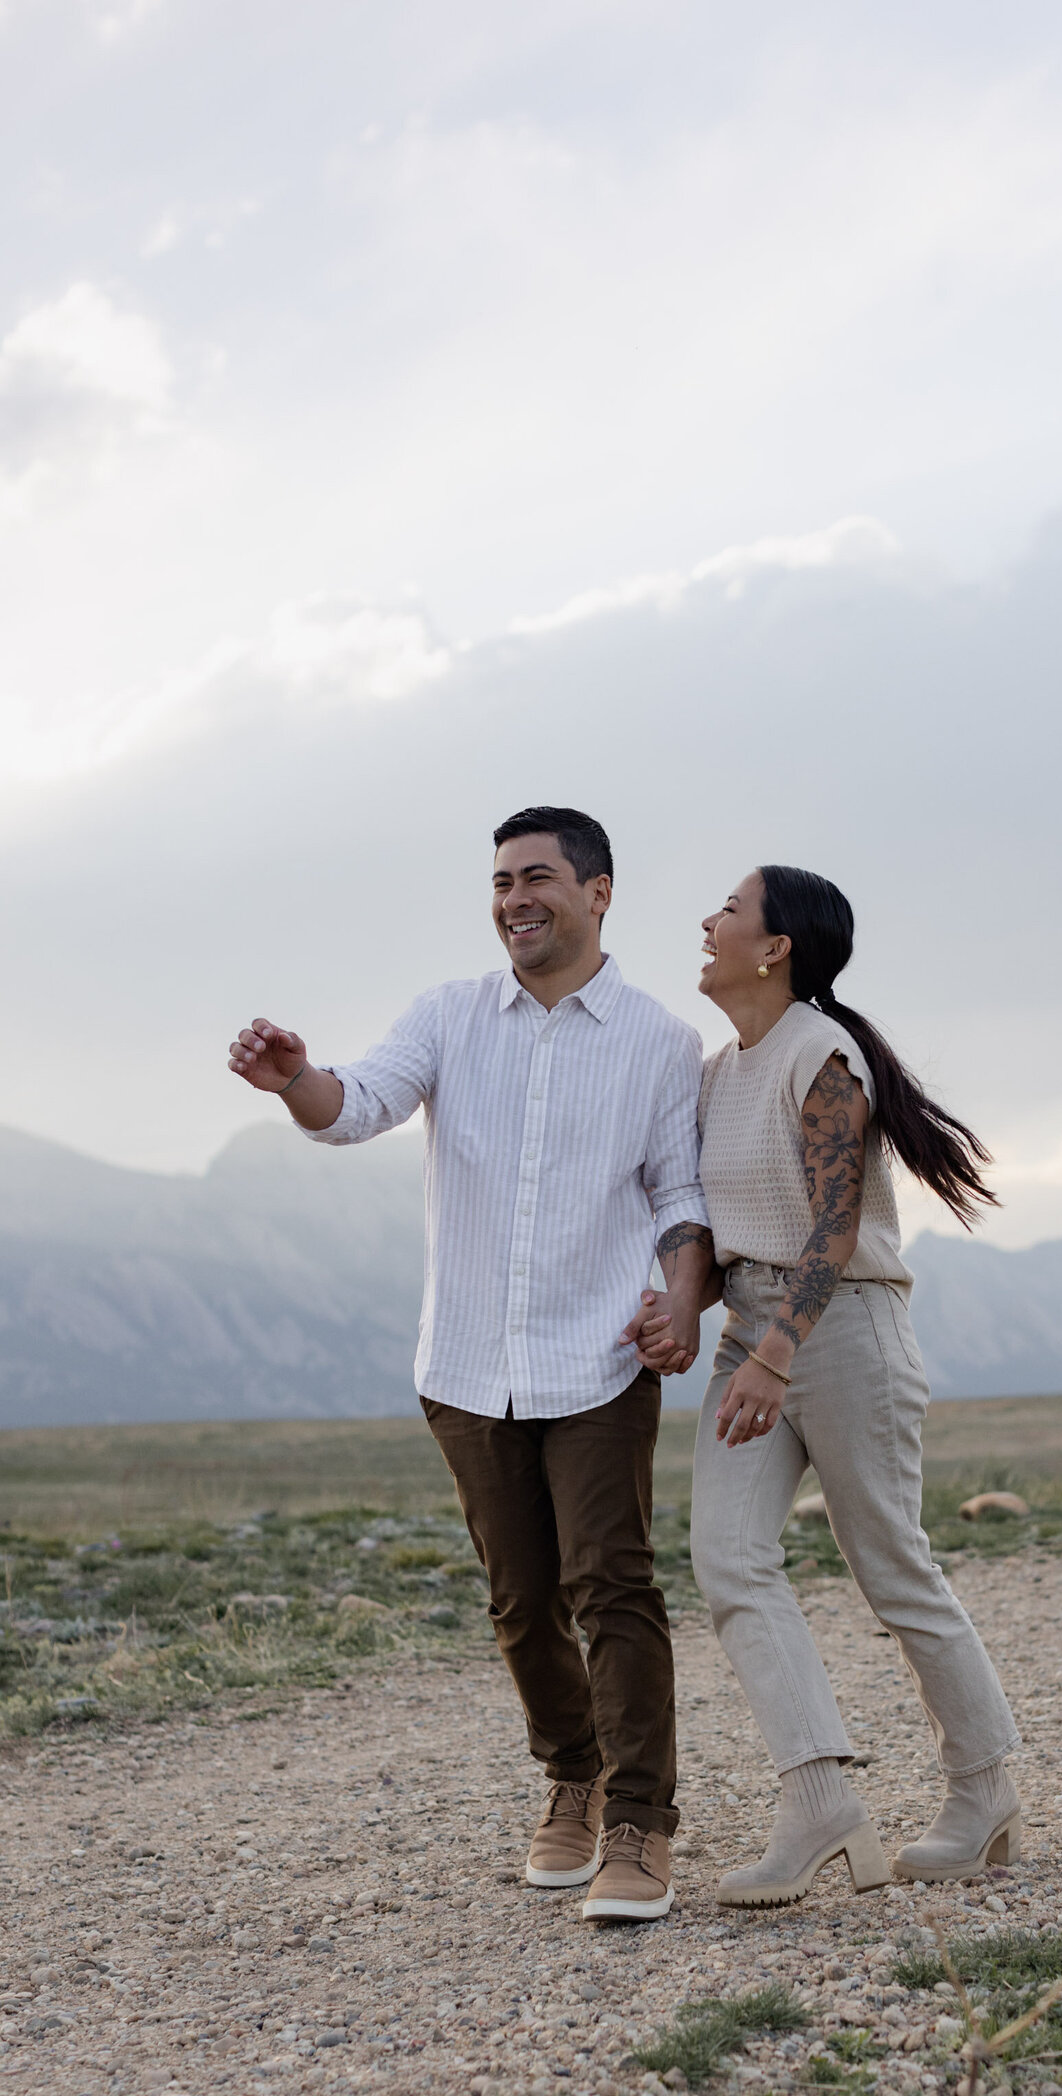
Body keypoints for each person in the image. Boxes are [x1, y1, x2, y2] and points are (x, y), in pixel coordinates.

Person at [227, 807, 711, 1924]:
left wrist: (679, 1305)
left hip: (597, 1359)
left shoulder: (657, 1040)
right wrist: (296, 1078)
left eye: (535, 877)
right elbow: (355, 1108)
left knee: (613, 1586)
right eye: (498, 883)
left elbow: (680, 1198)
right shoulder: (447, 1016)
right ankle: (572, 1776)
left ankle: (641, 1818)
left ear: (598, 893)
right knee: (518, 1600)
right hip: (464, 1365)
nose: (512, 900)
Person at [628, 863, 1021, 1908]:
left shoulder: (823, 1055)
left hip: (842, 1332)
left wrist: (772, 1353)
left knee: (891, 1568)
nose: (705, 921)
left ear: (776, 948)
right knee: (728, 1561)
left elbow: (831, 1230)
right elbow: (729, 1234)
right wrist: (683, 1308)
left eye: (728, 908)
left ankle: (983, 1793)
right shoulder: (719, 1072)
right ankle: (818, 1803)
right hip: (754, 1333)